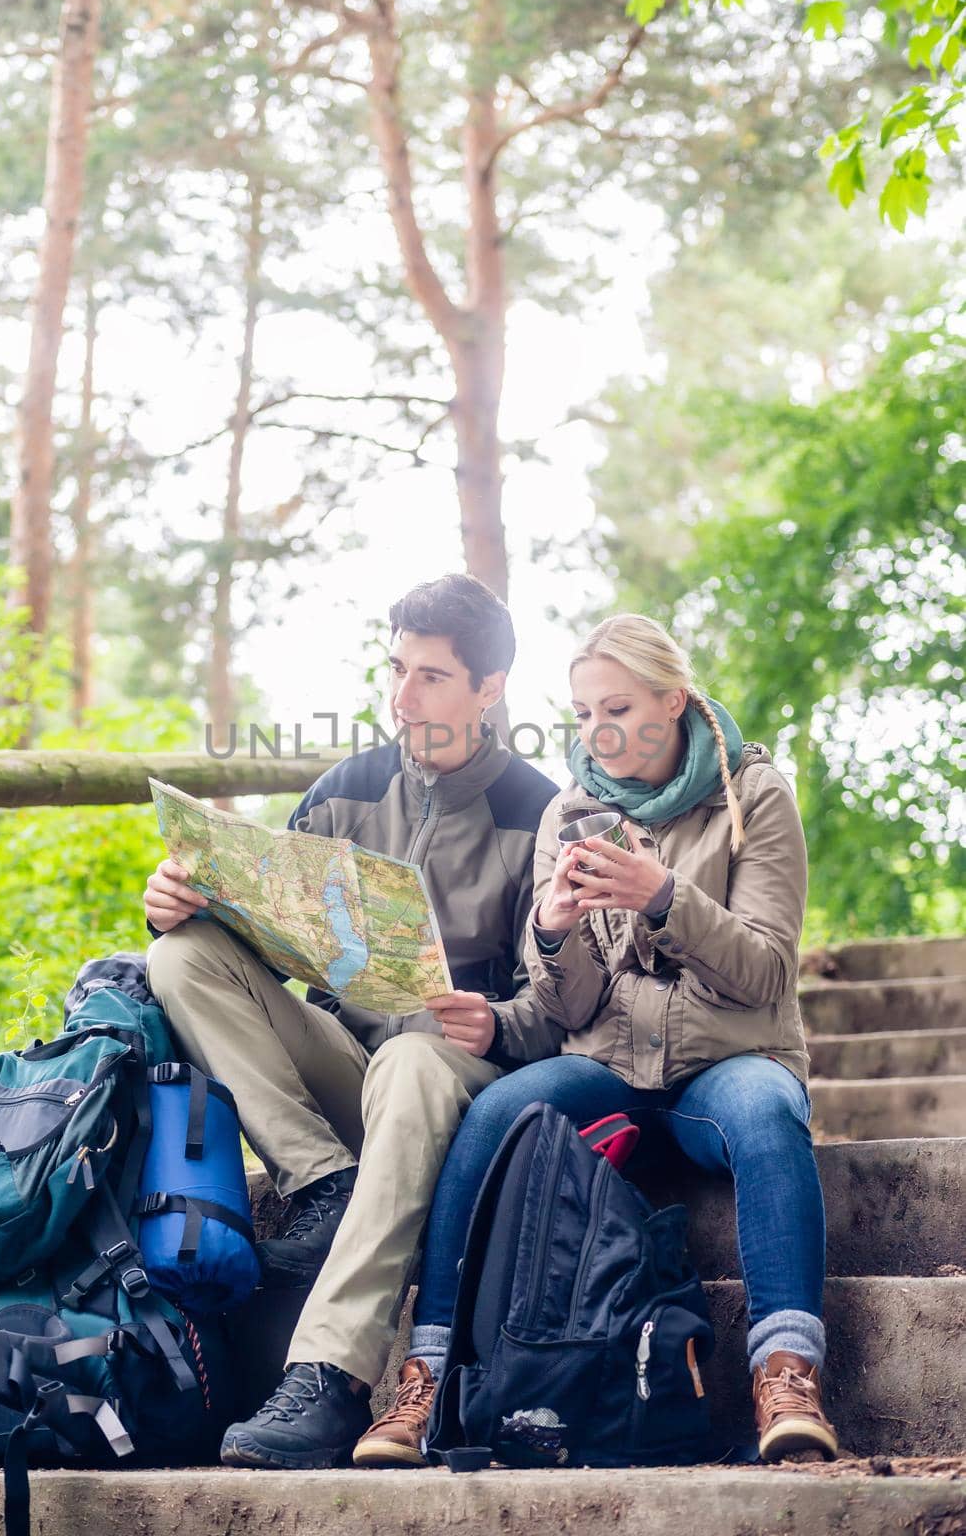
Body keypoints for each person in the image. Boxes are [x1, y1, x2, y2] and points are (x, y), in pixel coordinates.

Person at [356, 612, 838, 1469]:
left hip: (726, 1064)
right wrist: (550, 932)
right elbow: (566, 1003)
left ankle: (786, 1371)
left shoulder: (753, 795)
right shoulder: (571, 812)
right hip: (606, 1063)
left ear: (675, 701)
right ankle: (423, 1379)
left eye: (617, 708)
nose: (597, 732)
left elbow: (765, 972)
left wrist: (664, 898)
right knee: (496, 1114)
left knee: (769, 1115)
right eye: (581, 714)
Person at [143, 573, 560, 1469]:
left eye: (432, 677)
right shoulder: (343, 792)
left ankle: (329, 1380)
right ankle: (322, 1180)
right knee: (179, 956)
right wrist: (182, 902)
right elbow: (258, 947)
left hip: (459, 1085)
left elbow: (565, 1008)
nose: (401, 699)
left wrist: (500, 1023)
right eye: (396, 669)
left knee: (411, 1059)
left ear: (489, 689)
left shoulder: (539, 814)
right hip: (345, 1074)